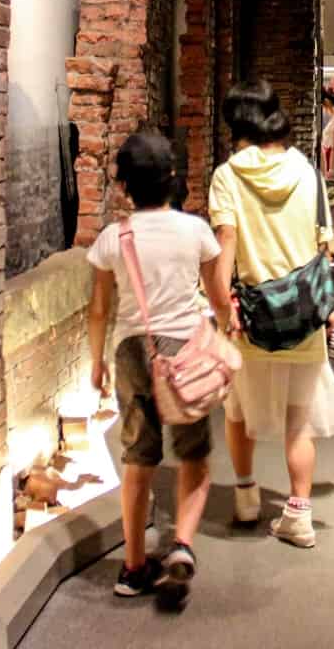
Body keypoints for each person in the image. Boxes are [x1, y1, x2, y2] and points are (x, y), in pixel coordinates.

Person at [86, 131, 230, 610]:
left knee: (138, 458)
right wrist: (224, 333)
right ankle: (183, 542)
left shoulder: (113, 237)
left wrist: (96, 363)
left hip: (132, 350)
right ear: (172, 179)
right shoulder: (196, 231)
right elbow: (216, 296)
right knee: (194, 455)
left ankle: (132, 567)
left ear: (125, 185)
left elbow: (100, 309)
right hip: (186, 346)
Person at [210, 80, 334, 548]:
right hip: (302, 313)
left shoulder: (228, 177)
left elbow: (225, 245)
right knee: (299, 421)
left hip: (247, 315)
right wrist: (327, 308)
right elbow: (322, 244)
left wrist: (219, 308)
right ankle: (298, 514)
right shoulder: (306, 171)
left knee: (236, 410)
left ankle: (247, 494)